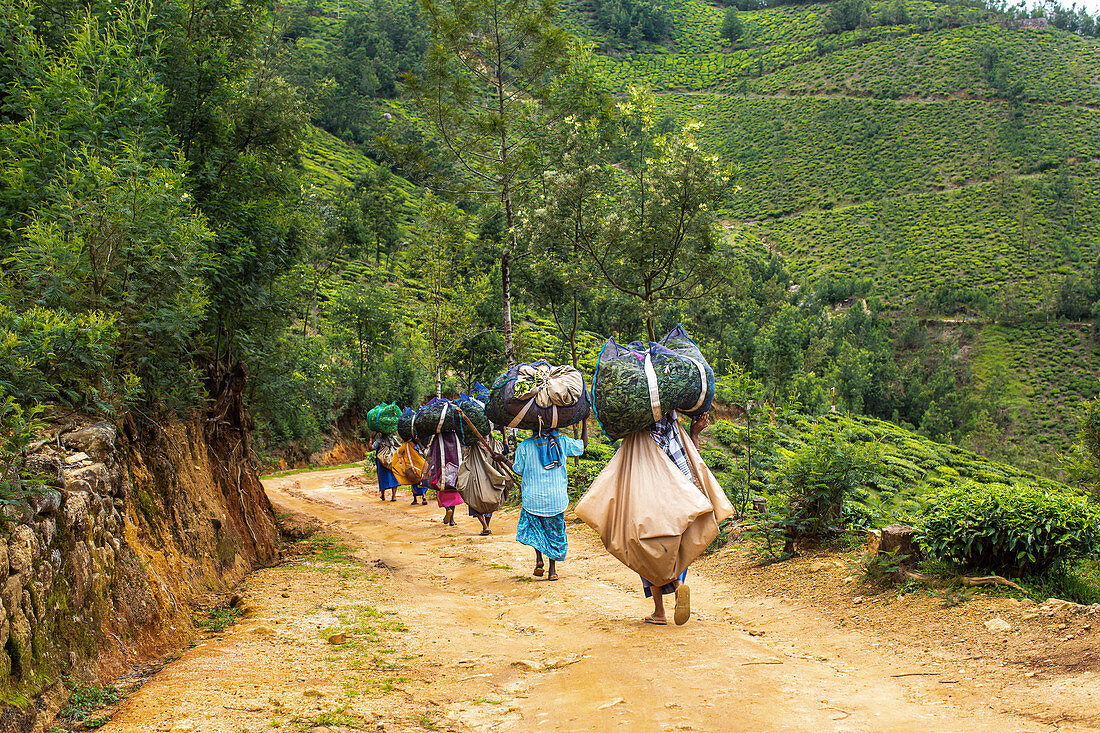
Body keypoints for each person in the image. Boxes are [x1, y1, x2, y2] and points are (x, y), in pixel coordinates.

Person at [641, 411, 711, 626]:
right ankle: (680, 587)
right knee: (677, 546)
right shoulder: (675, 433)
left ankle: (659, 611)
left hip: (652, 500)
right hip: (681, 499)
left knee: (649, 551)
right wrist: (695, 433)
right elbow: (693, 458)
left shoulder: (641, 436)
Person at [513, 428, 585, 580]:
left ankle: (539, 559)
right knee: (554, 533)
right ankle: (552, 570)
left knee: (535, 530)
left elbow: (518, 469)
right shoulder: (563, 441)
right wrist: (584, 422)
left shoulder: (525, 445)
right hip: (556, 499)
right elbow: (582, 446)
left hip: (533, 498)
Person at [372, 432, 401, 502]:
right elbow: (399, 446)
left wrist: (371, 438)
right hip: (392, 460)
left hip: (382, 462)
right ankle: (394, 495)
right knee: (394, 476)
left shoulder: (379, 440)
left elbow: (371, 448)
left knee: (382, 477)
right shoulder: (393, 440)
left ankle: (383, 495)